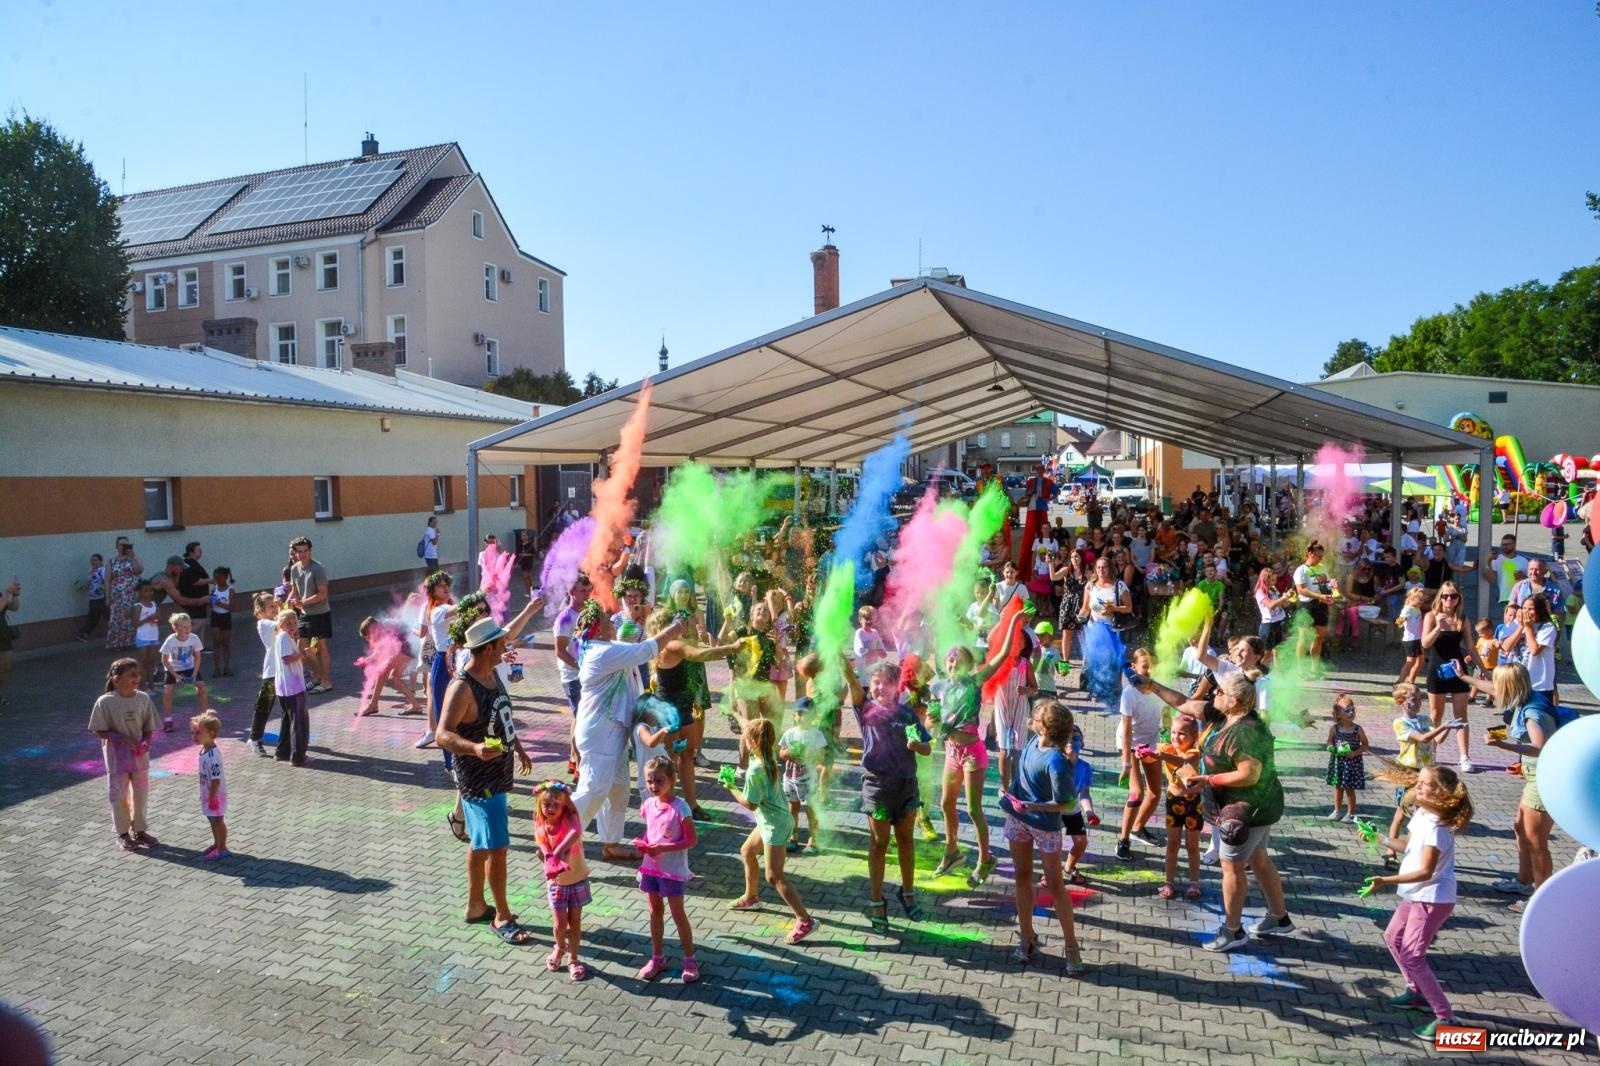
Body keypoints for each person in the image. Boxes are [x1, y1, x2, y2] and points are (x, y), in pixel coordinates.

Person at [437, 613, 540, 948]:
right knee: (497, 846)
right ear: (486, 648)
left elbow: (501, 716)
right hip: (479, 778)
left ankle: (476, 906)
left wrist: (519, 748)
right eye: (500, 643)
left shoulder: (492, 673)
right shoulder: (462, 687)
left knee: (481, 842)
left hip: (498, 771)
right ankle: (502, 916)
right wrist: (475, 748)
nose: (504, 646)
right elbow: (442, 735)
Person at [1182, 672, 1291, 953]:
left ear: (1236, 701)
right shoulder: (1226, 717)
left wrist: (1207, 780)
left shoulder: (1245, 732)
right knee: (1258, 857)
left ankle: (1232, 930)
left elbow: (1249, 774)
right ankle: (1279, 918)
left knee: (1231, 867)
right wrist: (1150, 686)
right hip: (1258, 806)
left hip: (1246, 810)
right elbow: (1183, 703)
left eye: (1219, 690)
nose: (1214, 693)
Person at [1363, 765, 1473, 1041]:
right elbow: (1407, 847)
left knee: (1413, 955)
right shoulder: (1423, 814)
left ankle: (1446, 1017)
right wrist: (1379, 838)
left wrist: (1385, 881)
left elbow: (1426, 871)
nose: (1419, 786)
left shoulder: (1438, 827)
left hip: (1432, 898)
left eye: (1426, 784)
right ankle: (1415, 992)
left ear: (1441, 792)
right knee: (1392, 937)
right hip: (1417, 893)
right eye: (1420, 782)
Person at [571, 600, 684, 861]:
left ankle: (611, 845)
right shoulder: (602, 654)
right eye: (607, 620)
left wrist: (655, 618)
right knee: (594, 788)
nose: (613, 622)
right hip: (599, 733)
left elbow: (637, 643)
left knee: (619, 788)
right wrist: (677, 627)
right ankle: (555, 837)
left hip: (615, 730)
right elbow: (646, 650)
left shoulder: (606, 647)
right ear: (598, 628)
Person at [844, 660, 932, 935]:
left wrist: (917, 745)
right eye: (876, 681)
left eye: (886, 682)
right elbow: (852, 682)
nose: (880, 687)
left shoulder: (907, 715)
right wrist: (841, 661)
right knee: (878, 844)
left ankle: (907, 893)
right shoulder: (865, 709)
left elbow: (927, 748)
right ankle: (876, 901)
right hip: (877, 786)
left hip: (906, 787)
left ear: (897, 686)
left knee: (906, 840)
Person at [1002, 698, 1085, 974]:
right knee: (1022, 878)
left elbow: (1067, 804)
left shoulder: (1055, 762)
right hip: (1018, 820)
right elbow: (1021, 777)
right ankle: (1027, 938)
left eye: (1038, 715)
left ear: (1046, 729)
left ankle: (1071, 947)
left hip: (1044, 826)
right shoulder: (1031, 743)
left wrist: (1033, 806)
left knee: (1055, 884)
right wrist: (1010, 795)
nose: (1033, 716)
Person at [1463, 663, 1557, 904]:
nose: (1494, 689)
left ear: (1509, 686)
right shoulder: (1528, 695)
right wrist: (1464, 677)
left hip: (1544, 778)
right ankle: (1524, 883)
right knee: (1520, 829)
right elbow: (1490, 688)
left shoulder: (1532, 712)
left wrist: (1501, 745)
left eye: (1499, 683)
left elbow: (1539, 747)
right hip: (1534, 775)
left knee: (1537, 842)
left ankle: (1542, 898)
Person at [729, 717, 819, 944]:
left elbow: (749, 804)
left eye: (746, 737)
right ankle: (751, 897)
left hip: (775, 825)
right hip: (771, 819)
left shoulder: (755, 769)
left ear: (752, 741)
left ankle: (805, 920)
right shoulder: (765, 756)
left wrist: (729, 785)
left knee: (774, 875)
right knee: (747, 851)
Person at [650, 601, 741, 819]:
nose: (680, 624)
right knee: (671, 759)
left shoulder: (673, 643)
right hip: (670, 712)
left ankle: (692, 805)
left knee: (687, 755)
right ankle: (668, 808)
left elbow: (697, 647)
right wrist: (732, 648)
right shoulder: (671, 645)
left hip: (683, 708)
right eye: (675, 622)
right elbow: (700, 655)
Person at [635, 755, 700, 983]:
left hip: (672, 870)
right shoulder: (648, 805)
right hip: (651, 868)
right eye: (650, 781)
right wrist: (644, 844)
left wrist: (663, 847)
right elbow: (651, 831)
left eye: (659, 781)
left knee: (677, 913)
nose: (654, 786)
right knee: (655, 911)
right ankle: (657, 958)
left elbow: (691, 840)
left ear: (672, 780)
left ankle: (690, 959)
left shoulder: (681, 808)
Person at [89, 658, 161, 851]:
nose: (136, 678)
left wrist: (146, 742)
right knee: (119, 795)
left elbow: (149, 726)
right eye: (131, 675)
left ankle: (140, 830)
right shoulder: (106, 702)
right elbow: (98, 729)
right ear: (116, 679)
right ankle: (122, 833)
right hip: (117, 758)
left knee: (141, 794)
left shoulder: (143, 698)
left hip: (139, 757)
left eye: (138, 674)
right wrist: (120, 738)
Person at [1116, 648, 1168, 861]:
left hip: (1150, 742)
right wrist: (1127, 765)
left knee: (1155, 793)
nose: (1149, 670)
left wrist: (1170, 741)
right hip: (1129, 744)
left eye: (1153, 666)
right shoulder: (1129, 693)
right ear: (1134, 667)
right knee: (1136, 793)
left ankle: (1138, 828)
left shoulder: (1159, 689)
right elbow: (1127, 731)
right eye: (1145, 666)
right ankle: (1123, 841)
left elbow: (1166, 717)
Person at [533, 781, 590, 973]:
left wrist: (559, 851)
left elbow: (575, 833)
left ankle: (573, 958)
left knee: (575, 920)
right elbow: (543, 849)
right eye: (546, 804)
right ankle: (559, 947)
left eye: (556, 804)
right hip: (557, 882)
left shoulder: (570, 818)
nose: (550, 808)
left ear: (564, 805)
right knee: (559, 924)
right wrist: (548, 856)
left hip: (577, 878)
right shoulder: (541, 826)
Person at [1421, 581, 1477, 772]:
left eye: (1453, 596)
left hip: (1457, 668)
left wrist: (1484, 671)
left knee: (1461, 714)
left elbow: (1471, 646)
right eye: (1445, 596)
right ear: (1440, 598)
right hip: (1437, 668)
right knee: (1436, 714)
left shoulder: (1462, 618)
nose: (1449, 599)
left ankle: (1464, 757)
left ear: (1458, 598)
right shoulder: (1431, 616)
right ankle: (1431, 754)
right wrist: (1438, 627)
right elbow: (1425, 644)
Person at [1151, 713, 1204, 901]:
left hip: (1193, 805)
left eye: (1182, 734)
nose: (1176, 737)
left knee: (1192, 846)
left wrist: (1163, 755)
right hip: (1173, 802)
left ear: (1194, 736)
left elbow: (1185, 764)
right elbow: (1154, 758)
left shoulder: (1195, 753)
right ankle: (1169, 881)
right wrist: (1145, 755)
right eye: (1173, 732)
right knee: (1172, 844)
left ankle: (1194, 882)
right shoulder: (1167, 748)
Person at [552, 574, 591, 778]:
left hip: (586, 674)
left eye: (588, 590)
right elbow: (559, 650)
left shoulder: (588, 612)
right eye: (582, 591)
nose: (586, 594)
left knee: (581, 718)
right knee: (581, 718)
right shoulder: (566, 618)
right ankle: (578, 763)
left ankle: (573, 758)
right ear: (571, 592)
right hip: (573, 677)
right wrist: (580, 666)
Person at [779, 699, 827, 855]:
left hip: (808, 780)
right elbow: (781, 752)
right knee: (792, 808)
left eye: (806, 714)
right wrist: (789, 753)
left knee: (810, 810)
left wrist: (808, 754)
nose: (802, 717)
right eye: (799, 713)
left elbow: (821, 757)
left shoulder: (816, 734)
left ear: (814, 716)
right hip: (790, 778)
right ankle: (793, 836)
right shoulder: (789, 733)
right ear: (794, 715)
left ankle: (814, 839)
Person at [356, 616, 423, 717]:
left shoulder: (384, 629)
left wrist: (367, 660)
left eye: (368, 636)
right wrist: (368, 659)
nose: (369, 639)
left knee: (385, 673)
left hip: (408, 648)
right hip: (408, 648)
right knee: (394, 677)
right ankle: (416, 706)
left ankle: (373, 705)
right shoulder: (382, 626)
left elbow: (382, 650)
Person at [1498, 595, 1559, 704]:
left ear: (1539, 610)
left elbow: (1535, 650)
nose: (1526, 612)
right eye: (1524, 608)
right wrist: (1521, 627)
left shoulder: (1548, 627)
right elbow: (1506, 647)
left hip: (1538, 684)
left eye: (1530, 609)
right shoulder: (1517, 624)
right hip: (1517, 680)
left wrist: (1529, 628)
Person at [271, 611, 310, 766]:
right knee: (298, 720)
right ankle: (298, 756)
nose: (293, 626)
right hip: (292, 686)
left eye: (295, 623)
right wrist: (302, 654)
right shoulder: (284, 638)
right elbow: (287, 659)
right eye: (289, 624)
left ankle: (282, 752)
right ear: (281, 624)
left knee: (287, 718)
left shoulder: (284, 637)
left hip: (285, 686)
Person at [159, 613, 208, 732]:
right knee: (167, 692)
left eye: (189, 626)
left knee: (201, 687)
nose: (188, 629)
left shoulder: (194, 638)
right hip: (173, 668)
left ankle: (206, 717)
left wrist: (195, 674)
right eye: (185, 627)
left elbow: (197, 657)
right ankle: (168, 720)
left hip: (190, 667)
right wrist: (175, 675)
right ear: (175, 628)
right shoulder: (170, 640)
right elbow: (164, 660)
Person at [191, 710, 230, 861]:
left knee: (218, 820)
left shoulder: (212, 756)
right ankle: (217, 843)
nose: (194, 736)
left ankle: (223, 848)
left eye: (198, 733)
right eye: (193, 732)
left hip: (215, 795)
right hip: (208, 793)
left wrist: (213, 796)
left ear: (211, 734)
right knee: (212, 819)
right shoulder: (204, 750)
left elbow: (216, 778)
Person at [1324, 695, 1370, 822]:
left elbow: (1365, 745)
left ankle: (1350, 813)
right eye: (1347, 710)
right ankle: (1337, 810)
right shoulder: (1335, 729)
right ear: (1338, 714)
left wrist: (1355, 753)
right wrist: (1331, 747)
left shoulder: (1357, 729)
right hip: (1338, 762)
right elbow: (1329, 742)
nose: (1351, 713)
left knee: (1350, 789)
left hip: (1352, 763)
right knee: (1338, 787)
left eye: (1352, 709)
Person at [246, 591, 281, 757]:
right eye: (271, 606)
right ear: (260, 610)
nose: (275, 608)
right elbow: (282, 624)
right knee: (264, 705)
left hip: (284, 670)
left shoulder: (273, 620)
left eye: (275, 605)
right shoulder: (264, 624)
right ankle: (254, 739)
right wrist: (285, 604)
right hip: (272, 671)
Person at [1292, 542, 1335, 669]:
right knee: (1304, 639)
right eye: (1319, 556)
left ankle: (1314, 668)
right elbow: (1301, 590)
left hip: (1321, 605)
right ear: (1310, 554)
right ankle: (1299, 668)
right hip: (1306, 606)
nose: (1321, 559)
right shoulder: (1301, 570)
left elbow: (1326, 585)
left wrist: (1331, 585)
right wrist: (1319, 596)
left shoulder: (1322, 568)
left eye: (1322, 557)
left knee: (1319, 637)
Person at [105, 537, 145, 649]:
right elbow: (107, 580)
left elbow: (139, 570)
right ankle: (117, 643)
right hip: (117, 595)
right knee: (118, 618)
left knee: (131, 616)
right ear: (116, 547)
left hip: (131, 593)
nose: (123, 547)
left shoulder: (132, 559)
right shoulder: (111, 561)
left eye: (126, 545)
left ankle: (130, 642)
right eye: (121, 545)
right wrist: (107, 597)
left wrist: (132, 557)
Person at [1482, 534, 1530, 616]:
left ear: (1514, 545)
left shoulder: (1523, 560)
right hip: (1505, 598)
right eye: (1503, 544)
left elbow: (1531, 581)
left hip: (1523, 598)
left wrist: (1523, 577)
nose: (1505, 546)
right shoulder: (1496, 560)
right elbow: (1491, 579)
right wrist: (1489, 562)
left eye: (1508, 544)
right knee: (1509, 623)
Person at [1253, 562, 1291, 649]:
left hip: (1279, 622)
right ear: (1266, 580)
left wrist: (1290, 599)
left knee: (1278, 651)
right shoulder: (1260, 592)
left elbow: (1283, 605)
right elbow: (1270, 605)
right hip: (1268, 626)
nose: (1275, 582)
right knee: (1267, 654)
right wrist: (1283, 598)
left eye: (1275, 579)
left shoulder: (1273, 589)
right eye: (1273, 580)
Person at [1395, 587, 1427, 685]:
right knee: (1410, 662)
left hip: (1418, 639)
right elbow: (1400, 622)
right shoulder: (1407, 609)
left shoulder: (1417, 609)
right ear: (1412, 598)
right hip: (1410, 640)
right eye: (1420, 599)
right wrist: (1400, 621)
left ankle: (1411, 681)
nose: (1422, 601)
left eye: (1422, 599)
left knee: (1421, 661)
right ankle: (1399, 682)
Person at [208, 566, 234, 677]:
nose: (217, 580)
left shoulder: (230, 590)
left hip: (226, 617)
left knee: (226, 643)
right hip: (215, 617)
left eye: (220, 578)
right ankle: (216, 668)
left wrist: (220, 603)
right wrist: (210, 601)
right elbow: (211, 604)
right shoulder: (214, 590)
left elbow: (232, 607)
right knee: (216, 643)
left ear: (226, 577)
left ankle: (226, 667)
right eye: (216, 578)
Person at [76, 553, 108, 642]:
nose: (93, 562)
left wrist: (102, 588)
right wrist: (83, 587)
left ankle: (84, 633)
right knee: (93, 617)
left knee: (105, 616)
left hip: (102, 597)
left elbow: (107, 582)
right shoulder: (90, 571)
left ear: (100, 561)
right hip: (93, 598)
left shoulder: (103, 570)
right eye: (92, 560)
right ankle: (84, 633)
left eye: (95, 560)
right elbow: (90, 584)